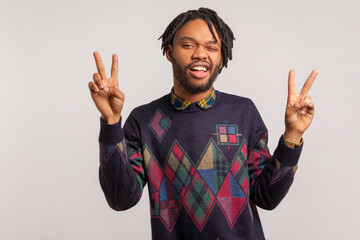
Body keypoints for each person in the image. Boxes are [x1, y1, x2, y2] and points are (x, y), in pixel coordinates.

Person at [88, 7, 318, 240]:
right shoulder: (144, 120)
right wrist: (111, 122)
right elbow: (120, 199)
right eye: (188, 45)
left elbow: (266, 197)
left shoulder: (243, 113)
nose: (200, 54)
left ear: (221, 56)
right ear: (169, 51)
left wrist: (292, 135)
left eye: (211, 47)